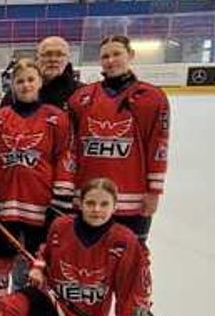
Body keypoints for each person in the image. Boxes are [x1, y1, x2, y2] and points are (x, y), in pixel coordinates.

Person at [0, 177, 151, 316]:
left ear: (115, 206)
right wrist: (38, 268)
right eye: (90, 203)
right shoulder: (61, 226)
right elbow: (45, 253)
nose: (96, 209)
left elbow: (133, 294)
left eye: (104, 204)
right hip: (52, 300)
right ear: (80, 203)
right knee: (7, 307)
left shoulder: (124, 242)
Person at [0, 58, 75, 298]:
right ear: (12, 84)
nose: (26, 85)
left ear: (39, 82)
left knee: (37, 257)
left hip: (41, 203)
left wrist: (60, 200)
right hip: (5, 203)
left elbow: (65, 159)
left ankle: (31, 306)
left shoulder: (57, 118)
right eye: (20, 81)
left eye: (30, 80)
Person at [66, 35, 169, 241]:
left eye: (116, 54)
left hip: (133, 198)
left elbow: (158, 146)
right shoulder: (81, 98)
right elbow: (71, 148)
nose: (110, 60)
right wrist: (69, 187)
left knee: (131, 259)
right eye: (105, 56)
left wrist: (154, 191)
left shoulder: (152, 97)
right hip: (88, 197)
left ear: (130, 55)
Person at [0, 35, 83, 110]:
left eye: (60, 54)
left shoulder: (81, 93)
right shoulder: (18, 93)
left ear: (68, 58)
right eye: (47, 54)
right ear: (37, 57)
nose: (53, 59)